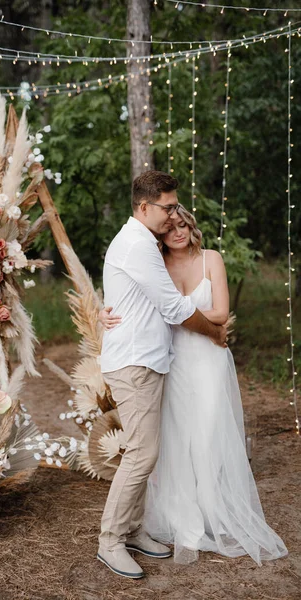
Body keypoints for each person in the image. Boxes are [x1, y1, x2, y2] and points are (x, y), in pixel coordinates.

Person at [100, 197, 288, 568]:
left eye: (181, 225)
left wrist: (206, 327)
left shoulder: (210, 259)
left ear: (191, 226)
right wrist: (100, 315)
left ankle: (207, 513)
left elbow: (220, 311)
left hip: (204, 361)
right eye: (169, 228)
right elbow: (139, 301)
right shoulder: (153, 258)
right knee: (169, 444)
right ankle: (145, 529)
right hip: (170, 360)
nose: (176, 232)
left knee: (204, 436)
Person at [97, 170, 228, 579]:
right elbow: (173, 308)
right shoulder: (136, 246)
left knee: (146, 452)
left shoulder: (143, 243)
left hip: (149, 359)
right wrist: (216, 332)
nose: (173, 215)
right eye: (168, 207)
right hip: (134, 362)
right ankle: (110, 541)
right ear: (144, 207)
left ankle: (134, 530)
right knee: (141, 454)